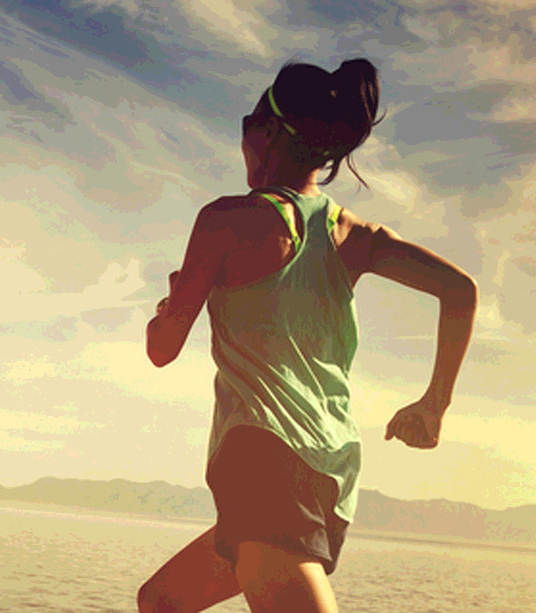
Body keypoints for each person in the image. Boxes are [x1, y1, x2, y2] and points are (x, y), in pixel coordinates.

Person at [136, 58, 478, 613]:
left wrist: (167, 308)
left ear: (267, 131)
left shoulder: (226, 221)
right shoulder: (355, 235)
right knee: (160, 602)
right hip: (330, 477)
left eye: (246, 126)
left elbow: (161, 350)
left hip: (262, 459)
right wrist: (434, 404)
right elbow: (460, 290)